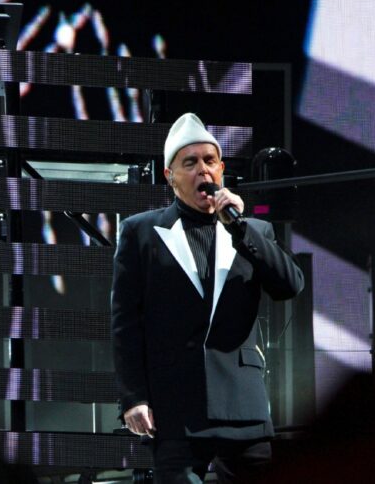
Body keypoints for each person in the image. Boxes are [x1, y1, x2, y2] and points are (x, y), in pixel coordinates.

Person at [111, 113, 304, 483]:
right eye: (191, 162)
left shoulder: (253, 231)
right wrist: (133, 397)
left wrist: (241, 228)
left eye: (210, 161)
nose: (204, 170)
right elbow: (125, 323)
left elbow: (290, 285)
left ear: (221, 169)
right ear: (170, 176)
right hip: (176, 407)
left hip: (242, 405)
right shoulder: (141, 232)